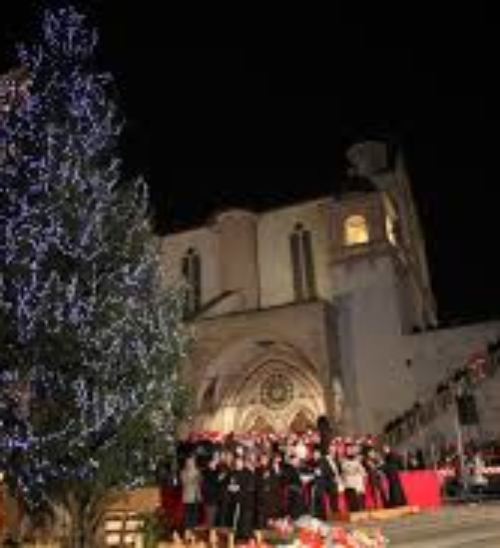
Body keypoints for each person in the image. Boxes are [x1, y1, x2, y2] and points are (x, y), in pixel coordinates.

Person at [180, 455, 202, 530]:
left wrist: (199, 496)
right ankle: (187, 530)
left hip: (195, 496)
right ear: (186, 463)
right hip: (187, 496)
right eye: (189, 462)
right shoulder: (183, 472)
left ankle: (194, 530)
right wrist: (194, 480)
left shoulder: (198, 471)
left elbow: (200, 483)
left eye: (192, 462)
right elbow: (184, 482)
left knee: (195, 515)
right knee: (187, 515)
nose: (190, 463)